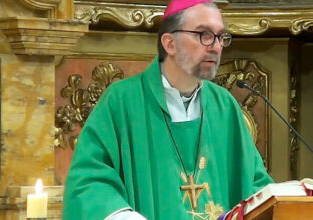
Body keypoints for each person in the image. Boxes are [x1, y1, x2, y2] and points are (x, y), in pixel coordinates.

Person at [62, 0, 273, 219]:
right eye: (204, 35)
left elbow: (254, 183)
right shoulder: (122, 101)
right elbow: (89, 183)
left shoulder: (225, 106)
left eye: (221, 37)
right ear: (170, 43)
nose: (215, 46)